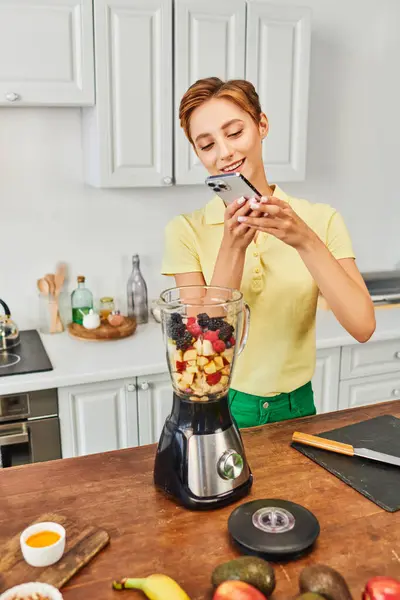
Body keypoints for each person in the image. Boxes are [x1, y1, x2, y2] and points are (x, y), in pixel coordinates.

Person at [161, 77, 376, 428]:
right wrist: (233, 246)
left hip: (297, 407)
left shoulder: (321, 220)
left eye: (234, 133)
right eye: (206, 145)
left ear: (262, 125)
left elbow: (363, 325)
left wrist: (305, 240)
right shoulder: (185, 230)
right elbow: (201, 352)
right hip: (219, 405)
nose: (224, 153)